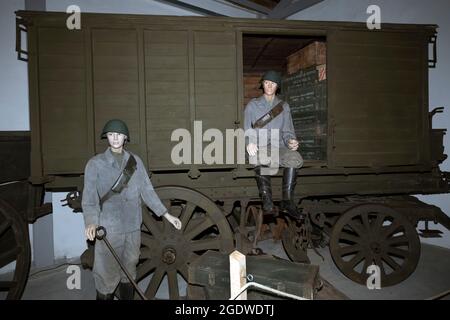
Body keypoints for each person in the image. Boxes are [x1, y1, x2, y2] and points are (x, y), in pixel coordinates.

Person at [81, 119, 181, 300]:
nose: (115, 138)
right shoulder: (95, 164)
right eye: (111, 135)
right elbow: (89, 199)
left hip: (133, 227)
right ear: (107, 137)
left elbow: (147, 191)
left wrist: (166, 215)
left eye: (119, 134)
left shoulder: (135, 162)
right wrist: (91, 222)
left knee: (129, 269)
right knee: (106, 274)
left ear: (125, 137)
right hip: (109, 229)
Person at [244, 70, 304, 219]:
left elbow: (288, 130)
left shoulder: (284, 106)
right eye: (266, 82)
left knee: (295, 158)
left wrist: (291, 141)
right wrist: (249, 143)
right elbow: (246, 129)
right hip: (260, 146)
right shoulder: (253, 105)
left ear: (277, 86)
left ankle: (287, 201)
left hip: (279, 147)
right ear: (263, 85)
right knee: (259, 158)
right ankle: (267, 202)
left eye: (273, 83)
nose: (269, 86)